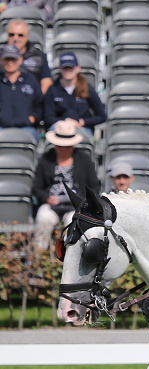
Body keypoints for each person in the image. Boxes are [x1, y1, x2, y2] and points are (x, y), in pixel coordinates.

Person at [31, 119, 100, 249]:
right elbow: (36, 188)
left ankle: (71, 257)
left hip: (76, 206)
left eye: (66, 145)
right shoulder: (45, 160)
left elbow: (94, 186)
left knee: (73, 222)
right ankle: (40, 255)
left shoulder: (84, 160)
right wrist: (47, 198)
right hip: (51, 204)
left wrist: (82, 200)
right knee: (43, 218)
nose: (63, 148)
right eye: (60, 145)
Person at [43, 52, 106, 133]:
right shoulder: (52, 90)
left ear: (77, 68)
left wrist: (82, 122)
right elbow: (48, 118)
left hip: (82, 128)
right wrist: (65, 121)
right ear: (60, 69)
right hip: (60, 127)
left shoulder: (87, 88)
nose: (68, 71)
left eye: (71, 68)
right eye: (65, 68)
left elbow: (102, 116)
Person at [0, 43, 41, 140]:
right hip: (1, 128)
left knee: (31, 136)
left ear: (20, 60)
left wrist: (33, 118)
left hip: (26, 128)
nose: (10, 62)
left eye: (13, 59)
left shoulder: (31, 81)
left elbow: (39, 105)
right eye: (7, 59)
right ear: (1, 60)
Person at [5, 19, 50, 93]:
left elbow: (47, 81)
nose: (15, 38)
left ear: (27, 36)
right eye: (11, 35)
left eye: (20, 35)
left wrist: (38, 100)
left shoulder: (38, 56)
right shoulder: (1, 55)